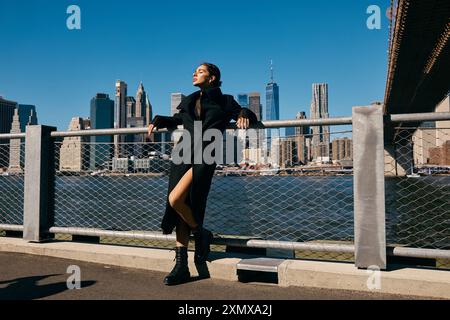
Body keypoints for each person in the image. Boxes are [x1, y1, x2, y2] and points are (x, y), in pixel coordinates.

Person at [147, 62, 258, 285]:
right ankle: (182, 265)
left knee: (179, 199)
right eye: (195, 71)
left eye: (200, 71)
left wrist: (244, 113)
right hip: (183, 151)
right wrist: (158, 120)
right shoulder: (189, 99)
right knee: (179, 205)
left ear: (213, 77)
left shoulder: (224, 100)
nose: (194, 74)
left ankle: (200, 233)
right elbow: (179, 120)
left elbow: (242, 113)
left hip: (206, 152)